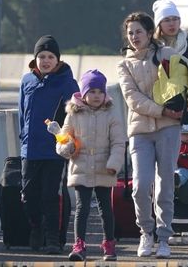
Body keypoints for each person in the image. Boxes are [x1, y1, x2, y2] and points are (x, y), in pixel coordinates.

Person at [117, 12, 188, 259]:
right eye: (130, 33)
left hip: (169, 128)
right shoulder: (124, 64)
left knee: (164, 184)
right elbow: (132, 99)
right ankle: (146, 232)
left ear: (149, 32)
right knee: (140, 185)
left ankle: (164, 236)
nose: (134, 36)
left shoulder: (166, 54)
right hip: (140, 130)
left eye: (138, 31)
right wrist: (162, 110)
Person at [56, 69, 127, 262]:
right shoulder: (73, 113)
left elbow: (118, 142)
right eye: (92, 91)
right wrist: (68, 147)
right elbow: (63, 139)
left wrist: (114, 164)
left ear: (105, 94)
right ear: (83, 93)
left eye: (100, 92)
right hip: (81, 165)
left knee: (105, 207)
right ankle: (79, 244)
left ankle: (109, 243)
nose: (96, 96)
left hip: (105, 166)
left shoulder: (111, 112)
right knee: (82, 207)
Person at [19, 35, 79, 254]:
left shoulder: (68, 83)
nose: (45, 61)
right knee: (28, 196)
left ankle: (53, 238)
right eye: (41, 56)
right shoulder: (27, 81)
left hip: (55, 150)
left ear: (58, 59)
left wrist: (66, 141)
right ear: (35, 59)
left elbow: (75, 117)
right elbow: (22, 112)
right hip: (30, 149)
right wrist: (23, 138)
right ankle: (36, 227)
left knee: (50, 196)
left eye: (50, 56)